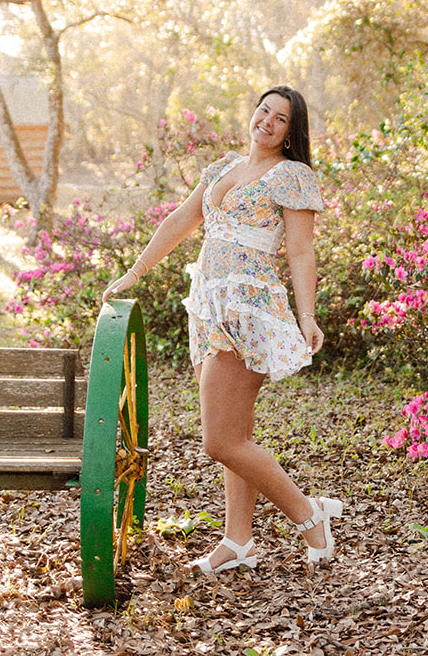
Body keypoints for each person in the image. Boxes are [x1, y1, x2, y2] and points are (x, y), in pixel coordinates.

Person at [101, 85, 343, 572]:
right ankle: (238, 541)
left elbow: (300, 251)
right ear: (253, 113)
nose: (268, 122)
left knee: (220, 441)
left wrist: (308, 315)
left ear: (291, 132)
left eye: (281, 119)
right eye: (264, 111)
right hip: (208, 305)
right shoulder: (222, 167)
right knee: (237, 431)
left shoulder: (291, 176)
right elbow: (180, 221)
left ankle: (309, 514)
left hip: (247, 309)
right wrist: (134, 272)